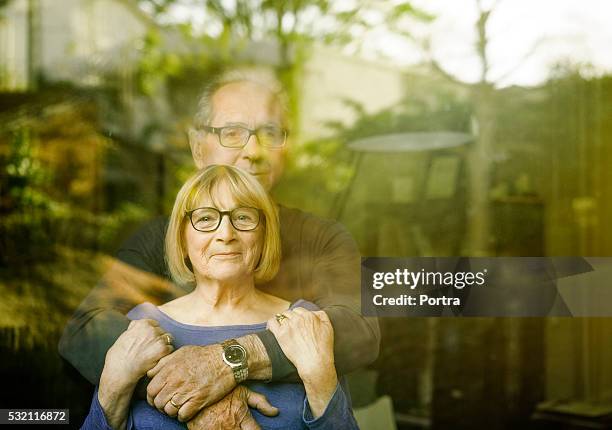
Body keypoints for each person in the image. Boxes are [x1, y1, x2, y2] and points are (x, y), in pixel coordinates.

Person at [60, 66, 379, 428]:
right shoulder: (157, 237)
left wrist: (229, 362)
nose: (253, 150)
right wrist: (188, 394)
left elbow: (359, 330)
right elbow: (84, 329)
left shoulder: (324, 237)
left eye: (269, 133)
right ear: (198, 147)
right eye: (232, 132)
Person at [81, 165, 359, 429]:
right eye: (205, 218)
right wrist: (112, 387)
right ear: (182, 240)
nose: (226, 234)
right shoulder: (139, 328)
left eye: (243, 218)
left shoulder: (304, 323)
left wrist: (321, 381)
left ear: (264, 237)